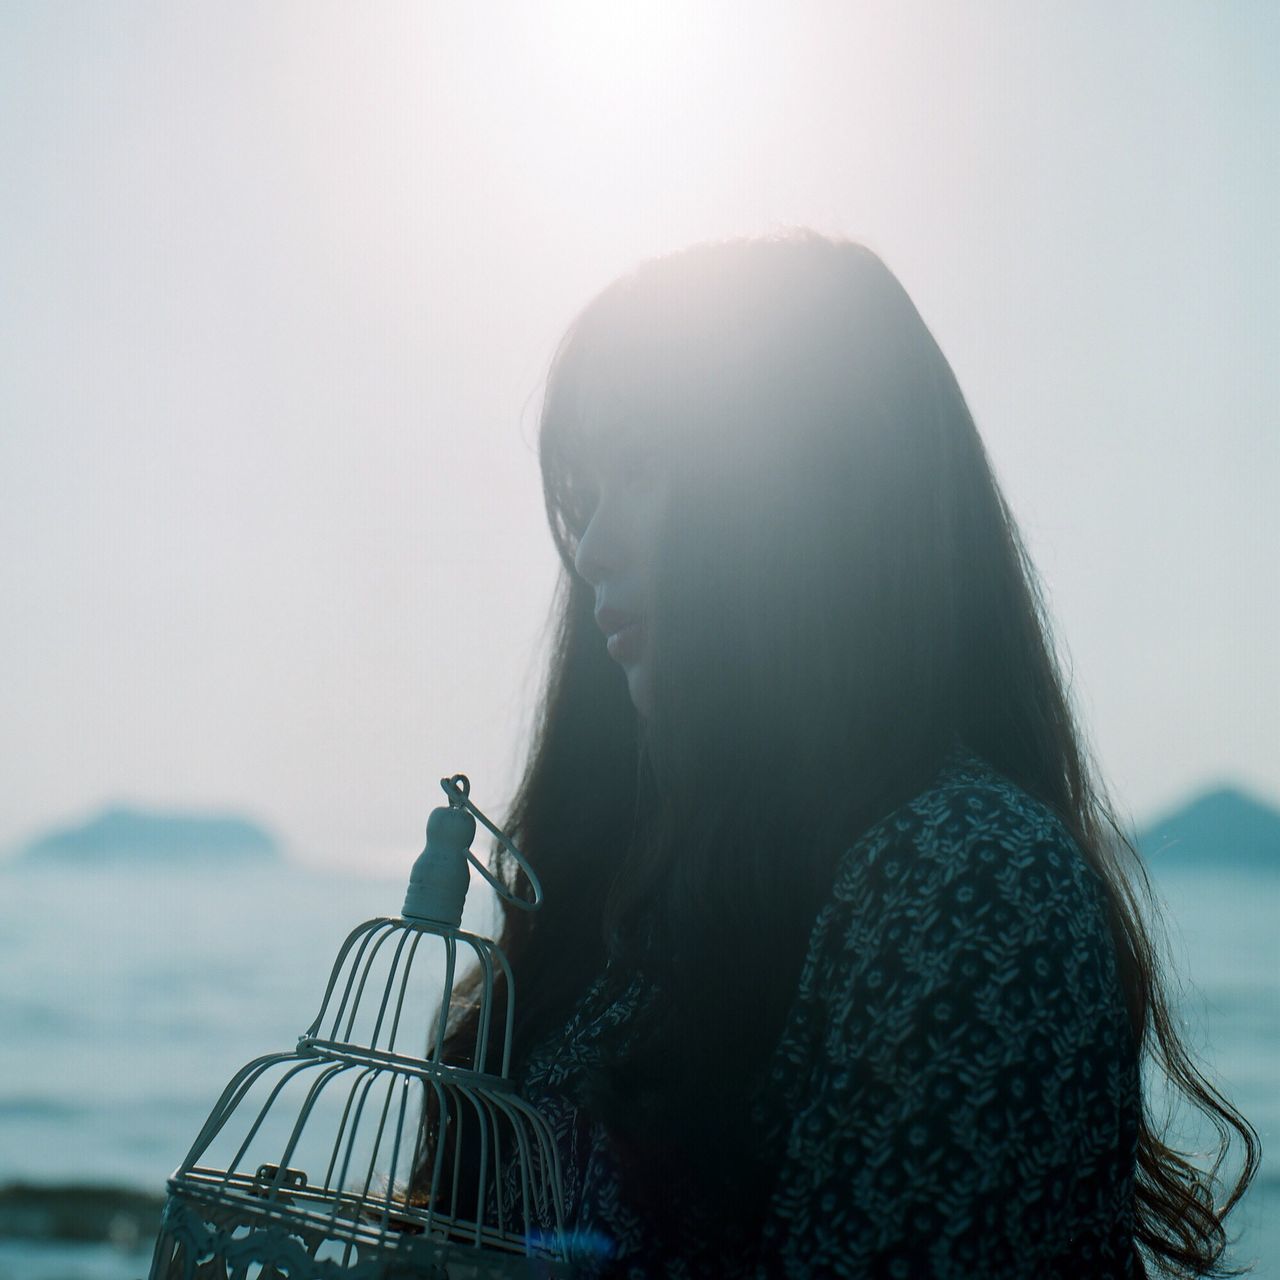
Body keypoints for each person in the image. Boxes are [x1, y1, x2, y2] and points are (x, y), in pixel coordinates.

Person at [431, 230, 1259, 1277]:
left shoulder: (967, 877)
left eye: (640, 467)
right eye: (583, 496)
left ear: (808, 490)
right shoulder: (632, 901)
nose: (588, 548)